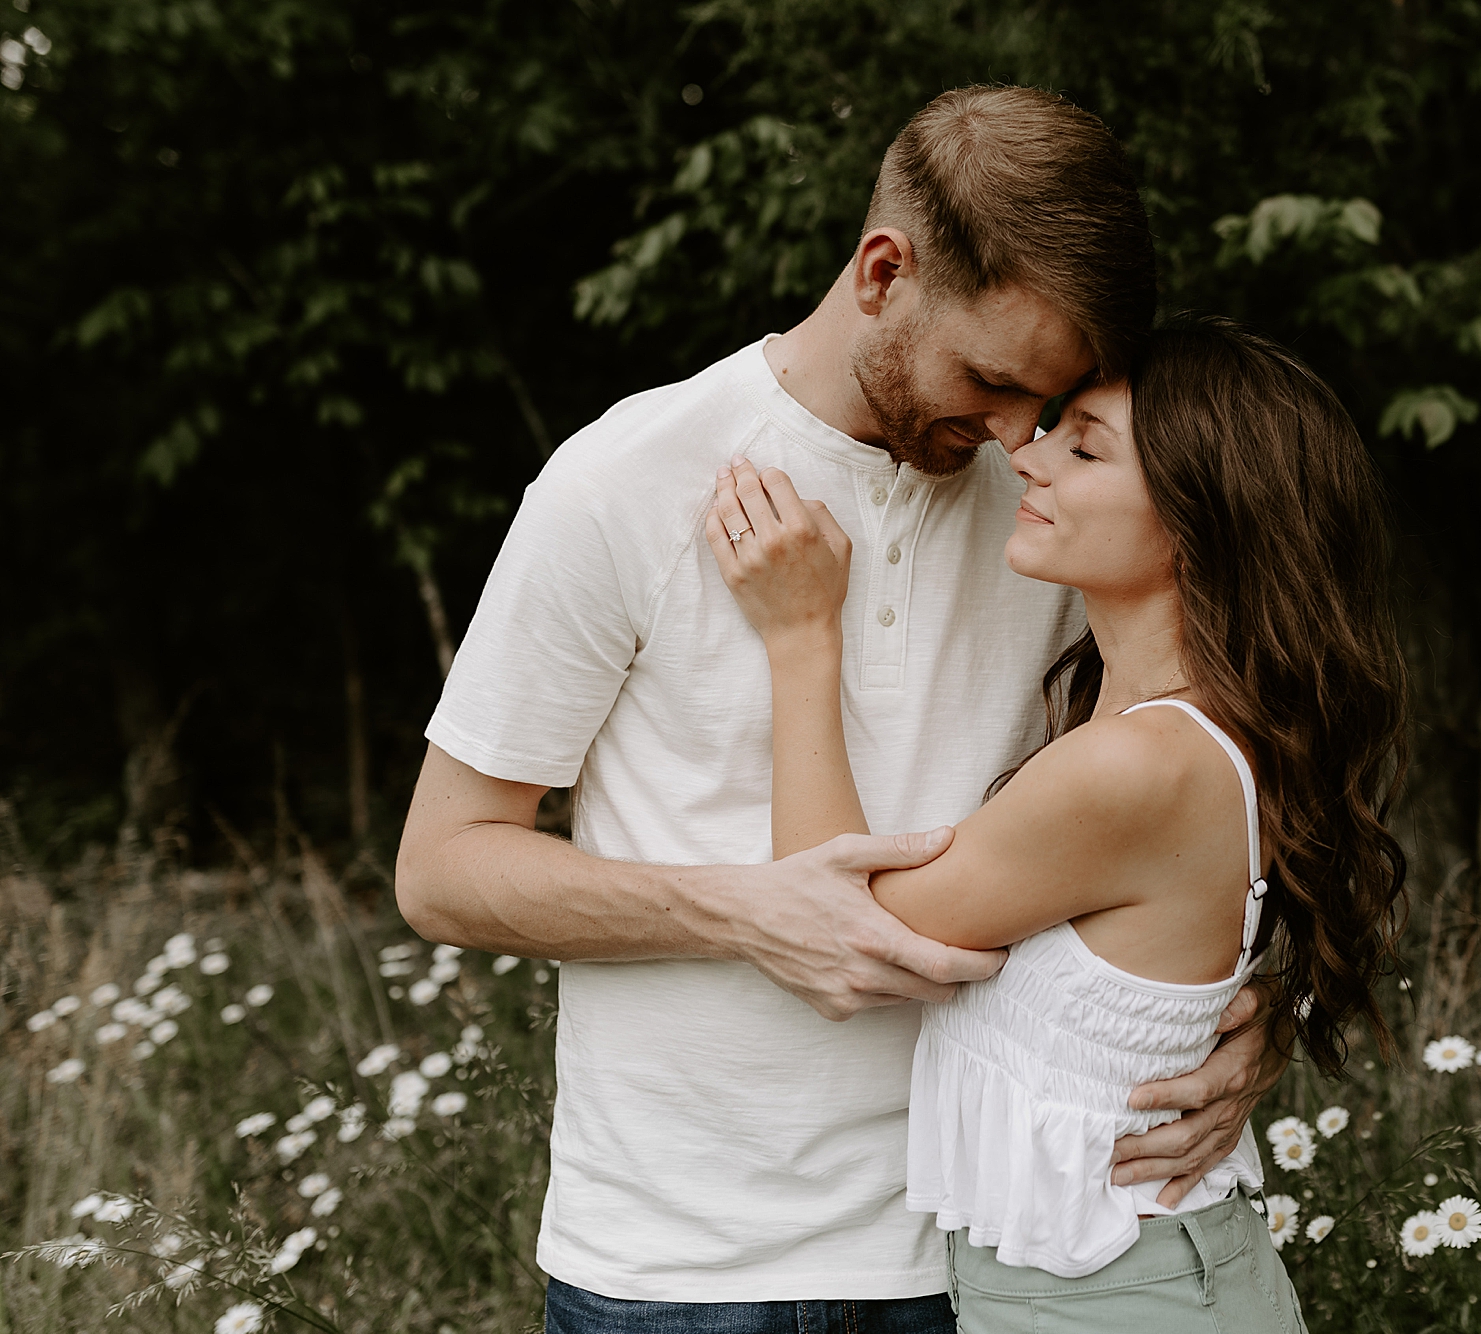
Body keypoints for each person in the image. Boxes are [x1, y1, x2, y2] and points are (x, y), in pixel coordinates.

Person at [394, 87, 1286, 1333]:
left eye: (1045, 401)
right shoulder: (620, 480)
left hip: (976, 1262)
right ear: (881, 272)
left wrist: (1246, 1009)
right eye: (984, 380)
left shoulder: (1049, 514)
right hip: (677, 1271)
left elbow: (1204, 770)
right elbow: (440, 870)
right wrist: (740, 912)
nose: (1006, 432)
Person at [705, 314, 1409, 1331]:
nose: (1025, 457)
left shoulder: (1135, 761)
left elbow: (847, 927)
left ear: (1195, 520)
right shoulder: (1170, 729)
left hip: (1125, 1296)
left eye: (1082, 446)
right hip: (1119, 1282)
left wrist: (801, 636)